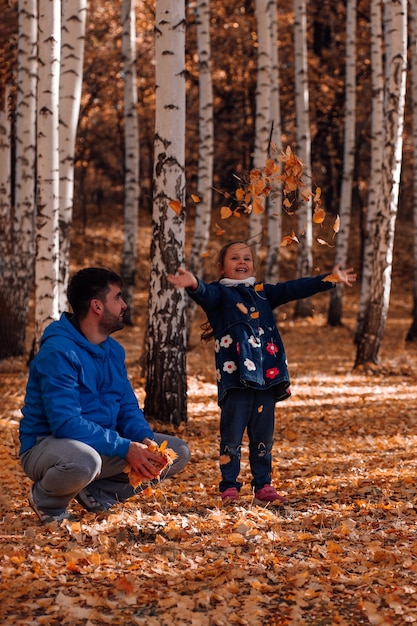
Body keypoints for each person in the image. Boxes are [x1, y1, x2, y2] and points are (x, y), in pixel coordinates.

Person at [168, 241, 356, 505]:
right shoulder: (220, 295)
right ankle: (229, 486)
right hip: (236, 380)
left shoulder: (263, 293)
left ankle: (263, 485)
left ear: (254, 265)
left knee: (263, 435)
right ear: (222, 267)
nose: (242, 261)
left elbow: (295, 288)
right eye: (235, 258)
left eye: (247, 257)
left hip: (267, 379)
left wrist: (330, 279)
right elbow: (205, 294)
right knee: (232, 435)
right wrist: (193, 283)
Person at [19, 268, 190, 523]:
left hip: (98, 444)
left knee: (175, 452)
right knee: (84, 461)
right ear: (97, 306)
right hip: (48, 446)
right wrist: (125, 447)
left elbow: (127, 407)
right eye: (118, 298)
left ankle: (96, 491)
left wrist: (143, 438)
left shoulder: (113, 351)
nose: (124, 305)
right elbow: (65, 423)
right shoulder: (59, 352)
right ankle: (48, 502)